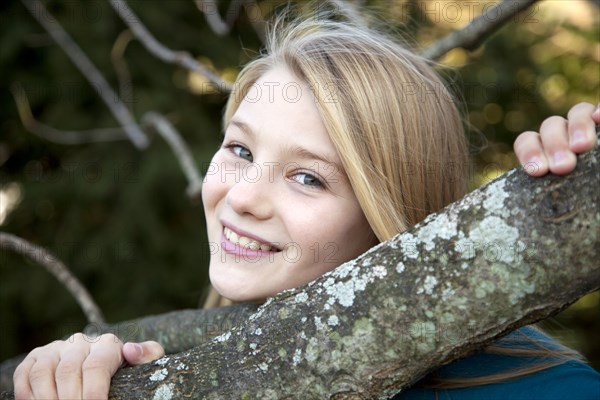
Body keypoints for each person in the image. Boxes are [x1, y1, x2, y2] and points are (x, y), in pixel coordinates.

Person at [13, 12, 600, 400]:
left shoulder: (549, 390)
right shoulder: (198, 363)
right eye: (240, 148)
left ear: (387, 212)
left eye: (308, 178)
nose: (241, 194)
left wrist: (571, 186)